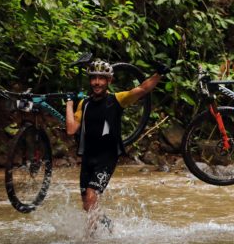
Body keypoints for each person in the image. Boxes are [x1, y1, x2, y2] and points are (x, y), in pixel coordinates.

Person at [65, 59, 169, 230]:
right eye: (93, 78)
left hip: (107, 157)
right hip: (88, 157)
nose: (97, 82)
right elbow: (71, 129)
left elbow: (142, 89)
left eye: (101, 78)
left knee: (91, 196)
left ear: (109, 81)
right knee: (87, 205)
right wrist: (70, 104)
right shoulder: (84, 104)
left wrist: (159, 74)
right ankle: (109, 227)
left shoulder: (117, 100)